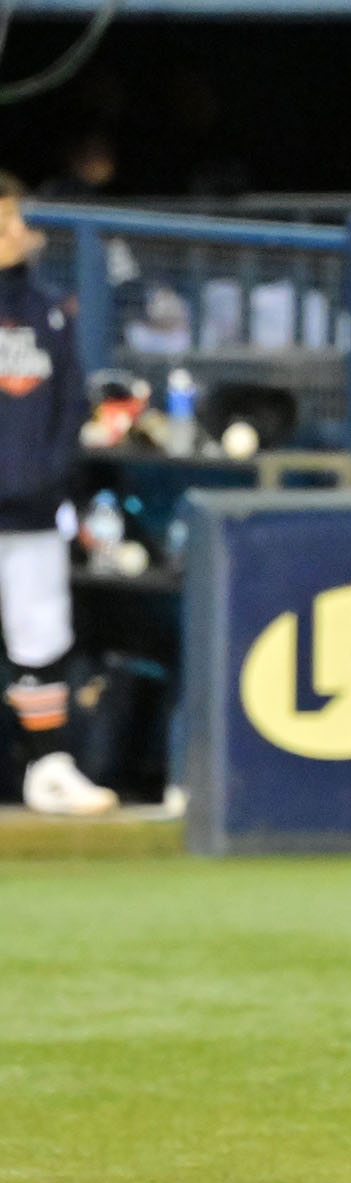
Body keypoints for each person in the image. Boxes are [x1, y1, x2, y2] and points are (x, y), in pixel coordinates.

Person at [0, 171, 117, 816]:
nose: (22, 232)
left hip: (33, 508)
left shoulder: (47, 307)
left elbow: (70, 403)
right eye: (8, 221)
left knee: (41, 635)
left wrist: (48, 475)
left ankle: (47, 767)